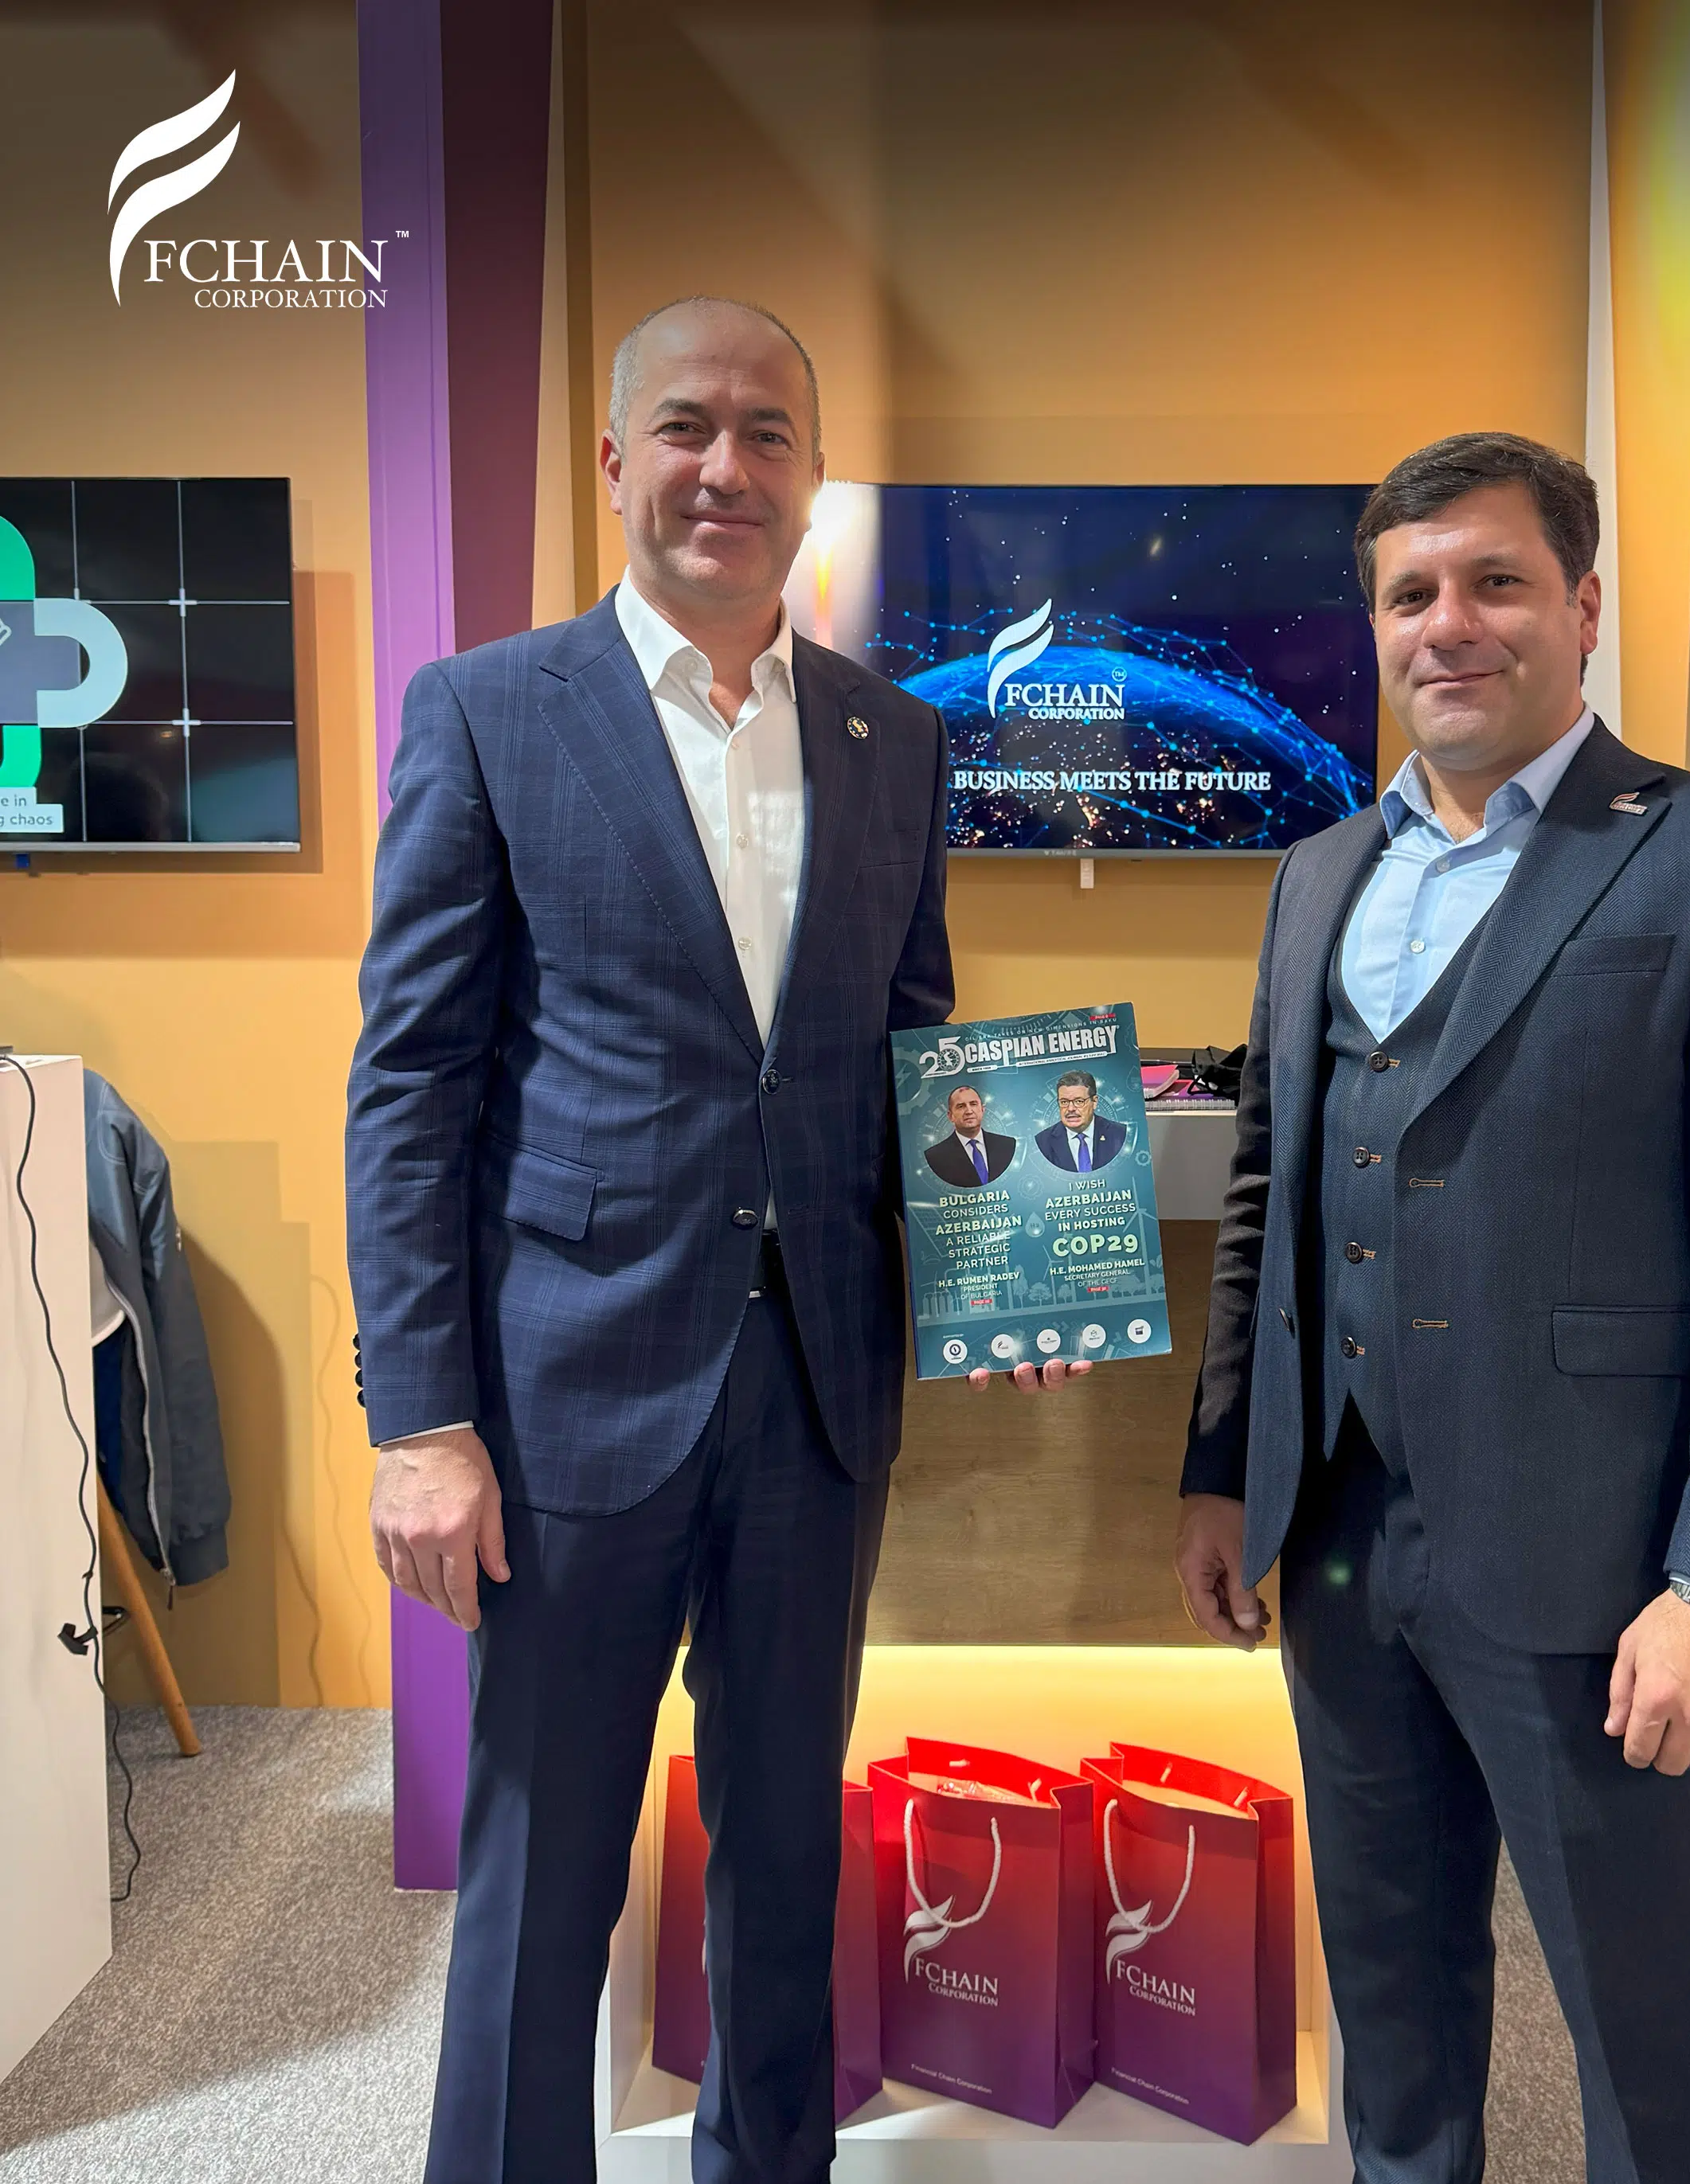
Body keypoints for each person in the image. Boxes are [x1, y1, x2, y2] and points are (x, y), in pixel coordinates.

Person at [1172, 431, 1690, 2182]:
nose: (1448, 623)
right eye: (1410, 592)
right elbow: (1267, 1190)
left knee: (1643, 2025)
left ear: (1583, 605)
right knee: (1391, 2005)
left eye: (1494, 581)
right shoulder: (1319, 873)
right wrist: (1221, 1471)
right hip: (1341, 1548)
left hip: (1594, 1564)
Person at [349, 295, 976, 2184]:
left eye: (768, 432)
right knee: (542, 1862)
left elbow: (914, 1049)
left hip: (815, 1399)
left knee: (786, 1844)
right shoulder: (488, 709)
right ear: (615, 457)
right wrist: (421, 1419)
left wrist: (1000, 1259)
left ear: (813, 476)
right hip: (567, 1395)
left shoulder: (892, 738)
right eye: (687, 426)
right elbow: (411, 1082)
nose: (727, 466)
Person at [1035, 1069, 1127, 1173]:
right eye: (1064, 1102)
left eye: (1079, 1101)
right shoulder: (1042, 1142)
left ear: (1094, 1102)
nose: (1070, 1109)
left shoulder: (1120, 1134)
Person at [925, 1082, 1015, 1187]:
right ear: (950, 1116)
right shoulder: (935, 1157)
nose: (969, 1111)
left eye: (973, 1104)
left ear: (982, 1109)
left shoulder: (1008, 1145)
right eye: (961, 1106)